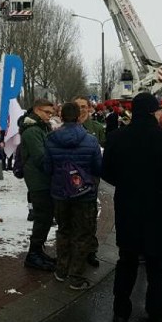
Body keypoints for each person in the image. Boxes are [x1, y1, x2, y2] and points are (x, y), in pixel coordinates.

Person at [103, 92, 162, 322]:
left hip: (128, 209)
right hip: (160, 210)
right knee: (158, 267)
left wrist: (128, 184)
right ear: (154, 112)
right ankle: (156, 319)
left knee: (127, 262)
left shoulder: (116, 138)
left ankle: (120, 313)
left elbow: (106, 171)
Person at [45, 102, 102, 290]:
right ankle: (76, 275)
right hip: (84, 195)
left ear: (61, 117)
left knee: (63, 230)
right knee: (83, 234)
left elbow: (47, 167)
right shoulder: (91, 140)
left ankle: (61, 270)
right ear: (79, 117)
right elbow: (97, 168)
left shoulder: (51, 138)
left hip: (60, 194)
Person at [19, 98, 56, 270]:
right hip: (38, 180)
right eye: (46, 112)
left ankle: (38, 251)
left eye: (51, 113)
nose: (49, 116)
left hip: (42, 178)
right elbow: (41, 157)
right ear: (36, 110)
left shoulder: (39, 127)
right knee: (42, 217)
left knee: (46, 217)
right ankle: (33, 254)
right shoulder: (32, 130)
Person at [73, 96, 105, 268]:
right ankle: (73, 251)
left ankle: (90, 251)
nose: (81, 109)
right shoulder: (65, 128)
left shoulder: (97, 129)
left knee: (90, 217)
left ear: (89, 108)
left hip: (90, 180)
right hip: (69, 182)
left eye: (84, 106)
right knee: (71, 218)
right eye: (77, 106)